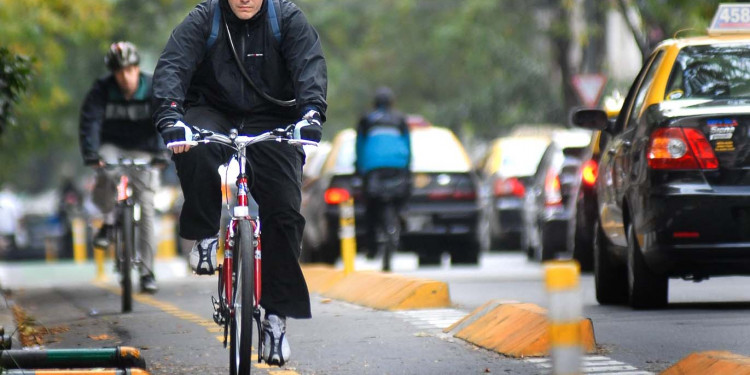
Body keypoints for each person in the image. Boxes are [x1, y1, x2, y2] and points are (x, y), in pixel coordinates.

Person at [152, 0, 327, 366]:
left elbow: (309, 66)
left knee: (283, 212)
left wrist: (311, 113)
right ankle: (204, 234)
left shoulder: (287, 19)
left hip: (273, 116)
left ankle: (276, 320)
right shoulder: (205, 18)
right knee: (194, 150)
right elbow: (173, 65)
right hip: (212, 111)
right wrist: (170, 116)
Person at [79, 41, 168, 294]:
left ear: (138, 68)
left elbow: (164, 119)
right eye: (119, 72)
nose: (125, 77)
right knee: (106, 172)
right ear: (113, 73)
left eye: (129, 70)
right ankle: (108, 219)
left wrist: (162, 152)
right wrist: (91, 153)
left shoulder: (153, 88)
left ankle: (147, 271)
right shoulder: (101, 90)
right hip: (112, 146)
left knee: (147, 206)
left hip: (145, 149)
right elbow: (91, 121)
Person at [355, 87, 412, 261]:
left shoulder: (366, 120)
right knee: (402, 195)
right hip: (398, 165)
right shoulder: (400, 119)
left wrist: (359, 168)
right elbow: (408, 145)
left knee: (371, 206)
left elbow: (359, 146)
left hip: (373, 167)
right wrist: (407, 166)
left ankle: (372, 248)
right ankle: (402, 215)